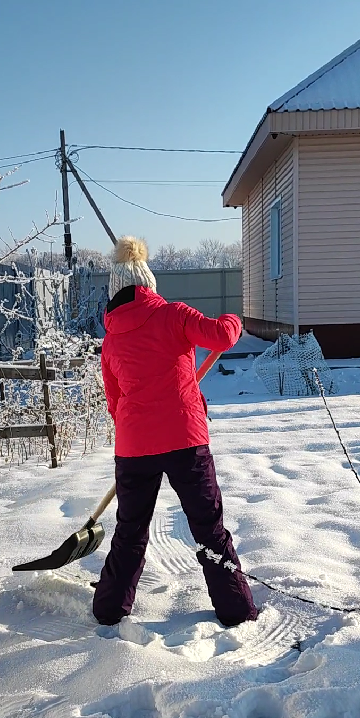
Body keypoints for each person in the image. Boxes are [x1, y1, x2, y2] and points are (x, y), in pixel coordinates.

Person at [92, 236, 258, 628]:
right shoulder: (176, 315)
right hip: (185, 440)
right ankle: (235, 609)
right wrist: (234, 320)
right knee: (208, 527)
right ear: (149, 284)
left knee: (130, 530)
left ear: (115, 293)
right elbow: (222, 336)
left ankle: (109, 609)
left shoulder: (112, 339)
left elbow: (114, 401)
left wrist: (138, 432)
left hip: (134, 447)